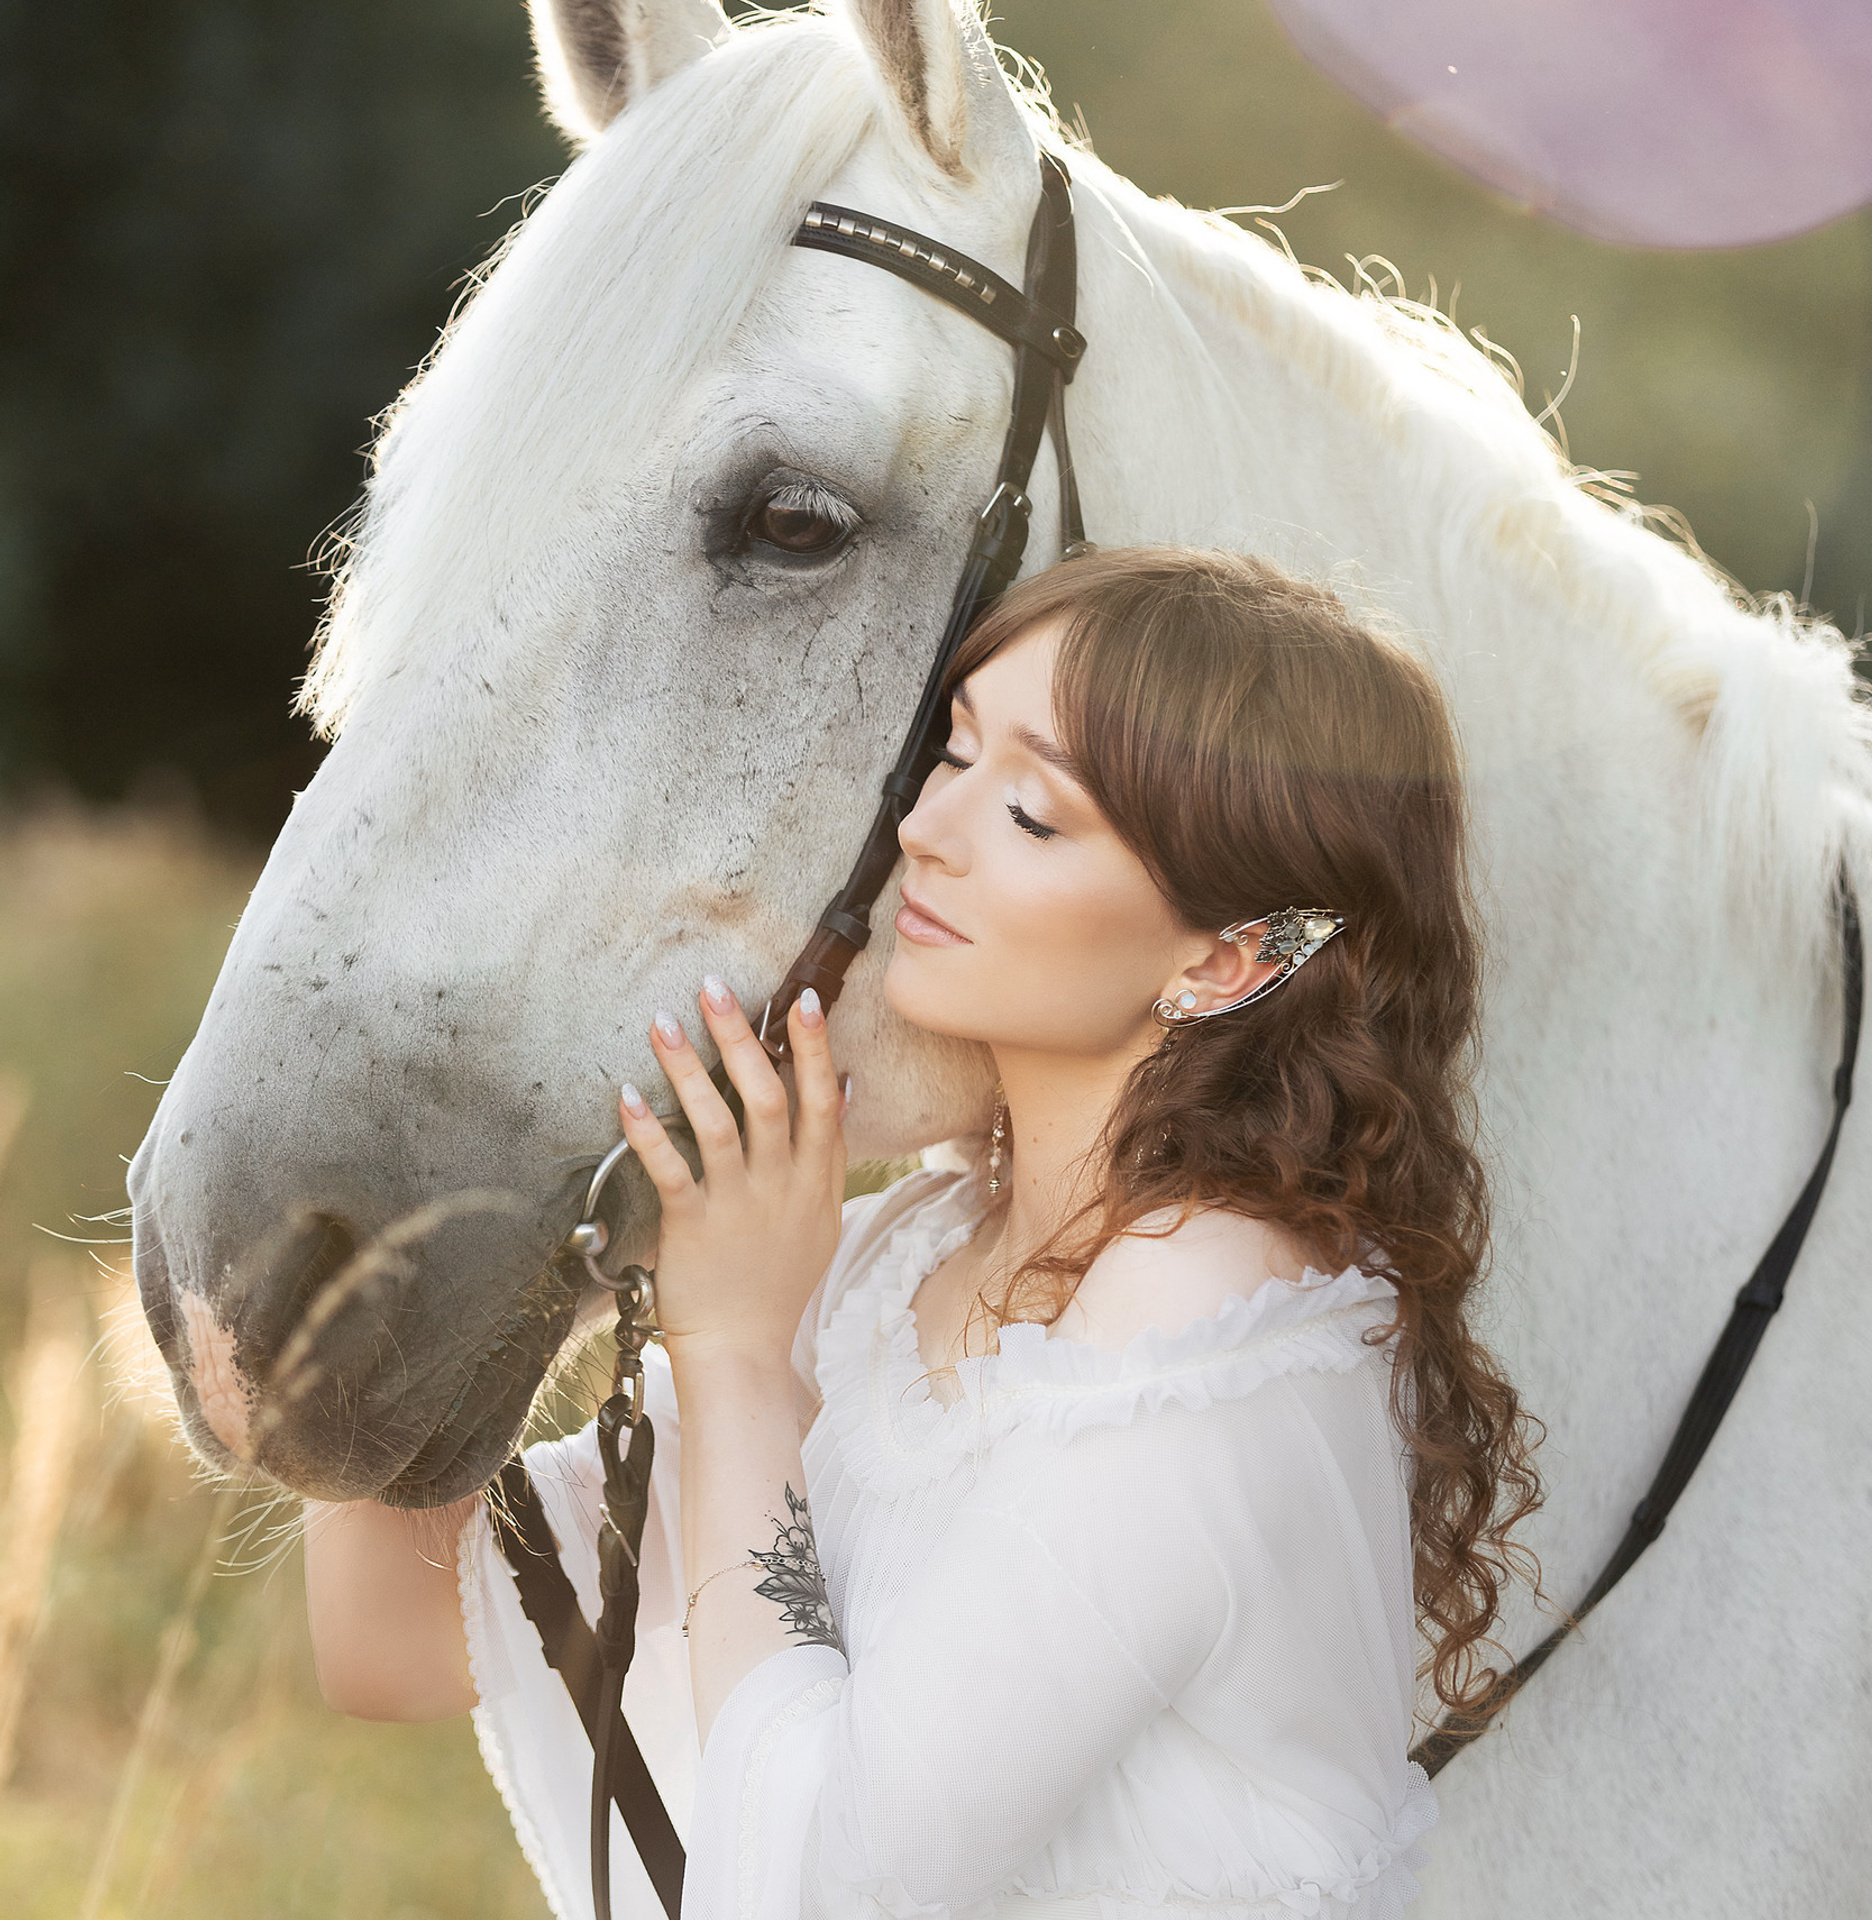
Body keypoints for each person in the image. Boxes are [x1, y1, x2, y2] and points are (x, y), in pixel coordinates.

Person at [304, 547, 1541, 1920]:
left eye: (1030, 810)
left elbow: (829, 1891)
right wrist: (467, 1198)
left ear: (1226, 958)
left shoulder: (1205, 1324)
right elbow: (393, 1642)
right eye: (950, 757)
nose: (928, 832)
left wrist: (731, 1352)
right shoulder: (915, 1251)